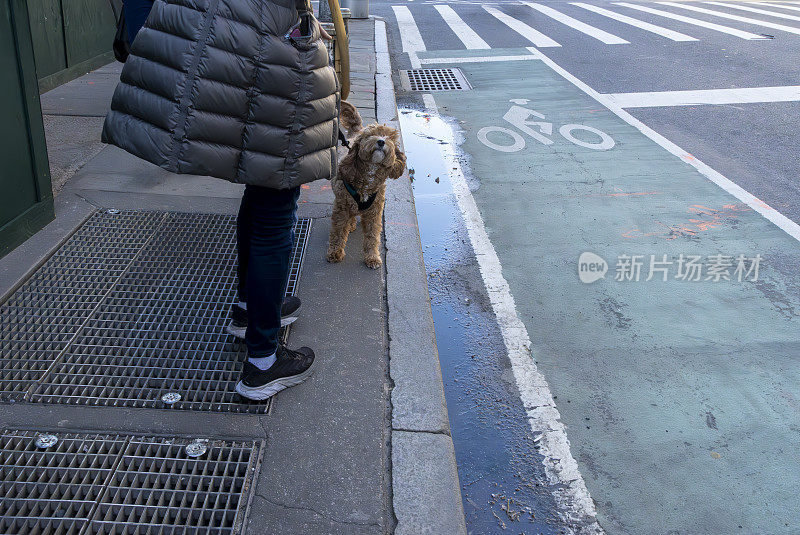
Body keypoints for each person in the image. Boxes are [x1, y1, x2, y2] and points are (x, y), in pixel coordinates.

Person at [102, 0, 339, 401]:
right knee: (277, 201)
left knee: (261, 185)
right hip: (268, 46)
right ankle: (263, 362)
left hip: (233, 37)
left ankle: (251, 310)